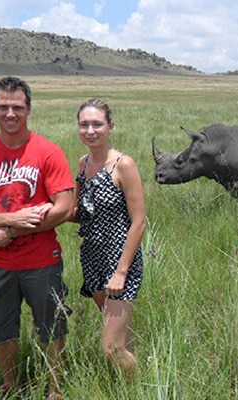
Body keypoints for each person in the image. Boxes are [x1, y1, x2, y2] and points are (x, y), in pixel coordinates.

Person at [0, 76, 75, 400]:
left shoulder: (47, 151)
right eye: (3, 106)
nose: (11, 113)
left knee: (51, 325)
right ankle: (11, 385)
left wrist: (12, 230)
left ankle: (56, 388)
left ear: (29, 109)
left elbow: (64, 207)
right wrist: (10, 218)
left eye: (18, 107)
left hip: (41, 261)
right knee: (1, 326)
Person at [71, 98, 146, 379]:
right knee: (118, 336)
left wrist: (121, 272)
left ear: (110, 126)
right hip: (92, 257)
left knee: (111, 348)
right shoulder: (83, 163)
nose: (90, 130)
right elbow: (80, 212)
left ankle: (138, 386)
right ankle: (126, 381)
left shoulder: (123, 165)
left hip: (120, 260)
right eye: (84, 124)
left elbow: (139, 222)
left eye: (97, 124)